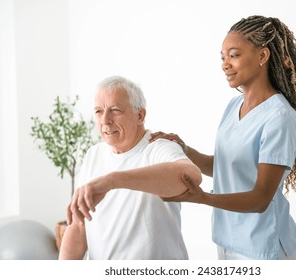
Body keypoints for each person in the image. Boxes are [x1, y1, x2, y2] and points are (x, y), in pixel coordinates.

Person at [150, 15, 296, 260]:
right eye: (223, 57)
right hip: (227, 240)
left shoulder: (280, 117)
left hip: (264, 247)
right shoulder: (233, 107)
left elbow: (261, 198)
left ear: (262, 56)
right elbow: (226, 167)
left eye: (234, 55)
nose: (225, 64)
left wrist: (204, 198)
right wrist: (185, 150)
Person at [58, 75, 202, 260]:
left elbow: (192, 176)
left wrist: (113, 180)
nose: (106, 120)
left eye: (115, 110)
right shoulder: (94, 154)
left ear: (140, 115)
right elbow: (78, 226)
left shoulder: (158, 146)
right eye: (99, 111)